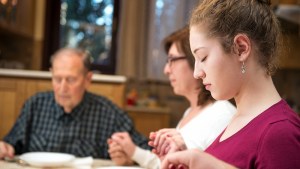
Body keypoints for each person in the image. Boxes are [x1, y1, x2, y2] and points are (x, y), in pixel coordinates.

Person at [161, 0, 300, 169]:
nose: (197, 73)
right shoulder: (238, 120)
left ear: (241, 48)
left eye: (203, 57)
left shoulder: (280, 132)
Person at [107, 27, 236, 169]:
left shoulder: (221, 114)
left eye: (172, 60)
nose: (166, 70)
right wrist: (131, 155)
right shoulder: (190, 112)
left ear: (195, 59)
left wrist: (134, 152)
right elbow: (168, 163)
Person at [0, 48, 150, 159]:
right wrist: (5, 147)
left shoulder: (109, 113)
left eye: (71, 80)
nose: (63, 88)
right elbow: (11, 144)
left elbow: (144, 151)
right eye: (57, 79)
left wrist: (129, 159)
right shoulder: (35, 105)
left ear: (88, 79)